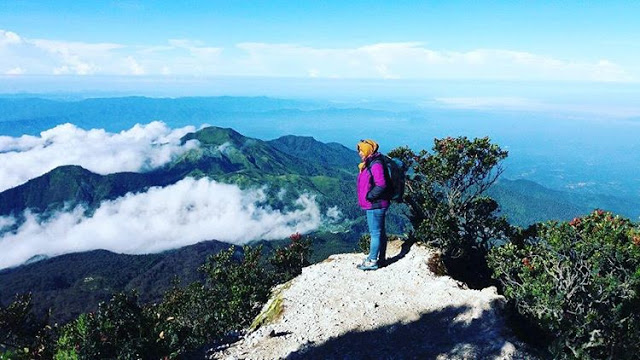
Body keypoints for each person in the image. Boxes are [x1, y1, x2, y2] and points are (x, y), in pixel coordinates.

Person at [356, 139, 389, 271]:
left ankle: (372, 261)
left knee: (375, 233)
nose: (359, 153)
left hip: (375, 205)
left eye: (361, 150)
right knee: (380, 233)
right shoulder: (369, 163)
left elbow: (381, 184)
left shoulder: (375, 165)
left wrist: (369, 196)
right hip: (375, 204)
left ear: (368, 150)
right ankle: (379, 258)